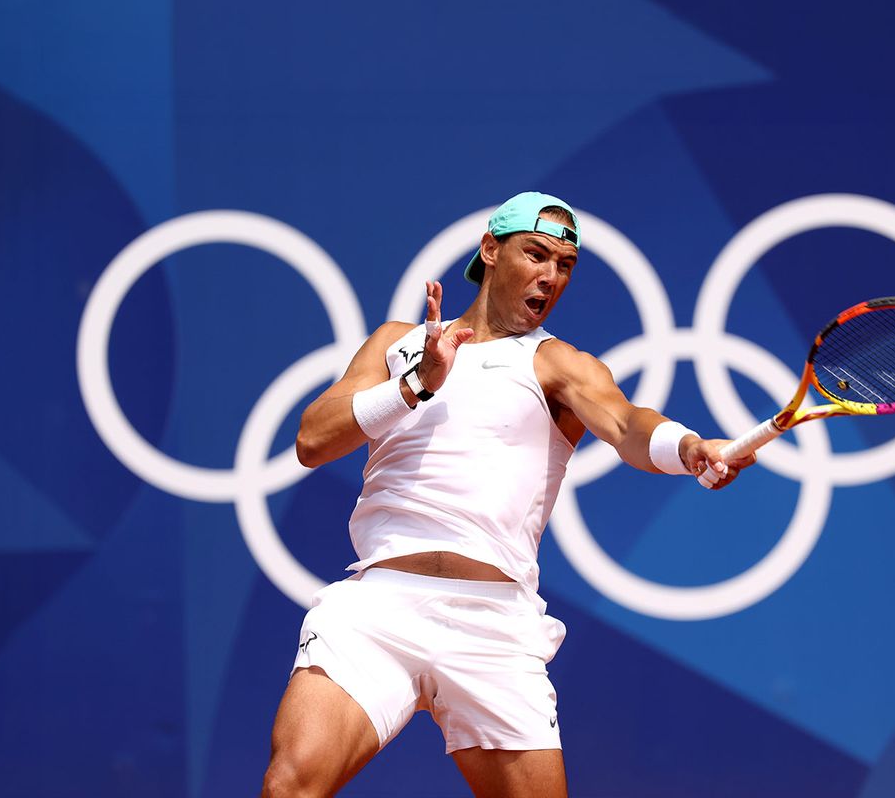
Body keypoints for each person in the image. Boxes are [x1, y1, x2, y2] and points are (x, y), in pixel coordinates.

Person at [261, 192, 755, 798]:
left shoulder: (556, 364)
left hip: (493, 626)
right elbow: (312, 439)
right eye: (537, 254)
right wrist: (416, 383)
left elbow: (627, 425)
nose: (551, 275)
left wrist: (688, 449)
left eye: (566, 264)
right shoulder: (398, 343)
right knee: (289, 787)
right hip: (376, 609)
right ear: (491, 251)